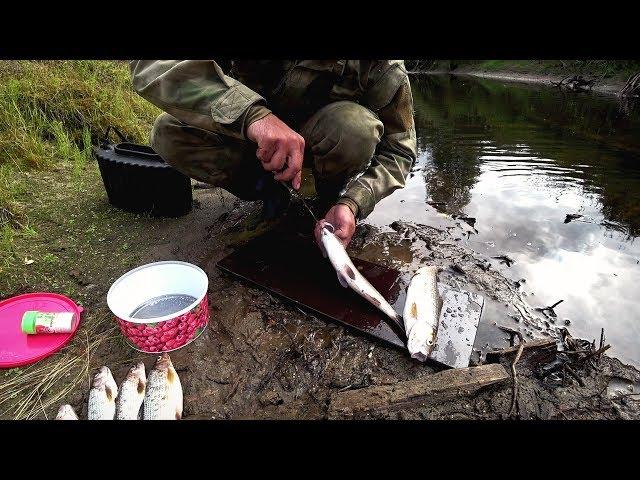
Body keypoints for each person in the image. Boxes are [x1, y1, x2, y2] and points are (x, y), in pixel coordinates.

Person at [130, 60, 416, 248]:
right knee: (168, 133)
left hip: (322, 136)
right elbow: (150, 65)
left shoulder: (382, 66)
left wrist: (354, 201)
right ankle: (268, 192)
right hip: (246, 138)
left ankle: (328, 201)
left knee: (356, 129)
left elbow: (400, 149)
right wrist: (252, 116)